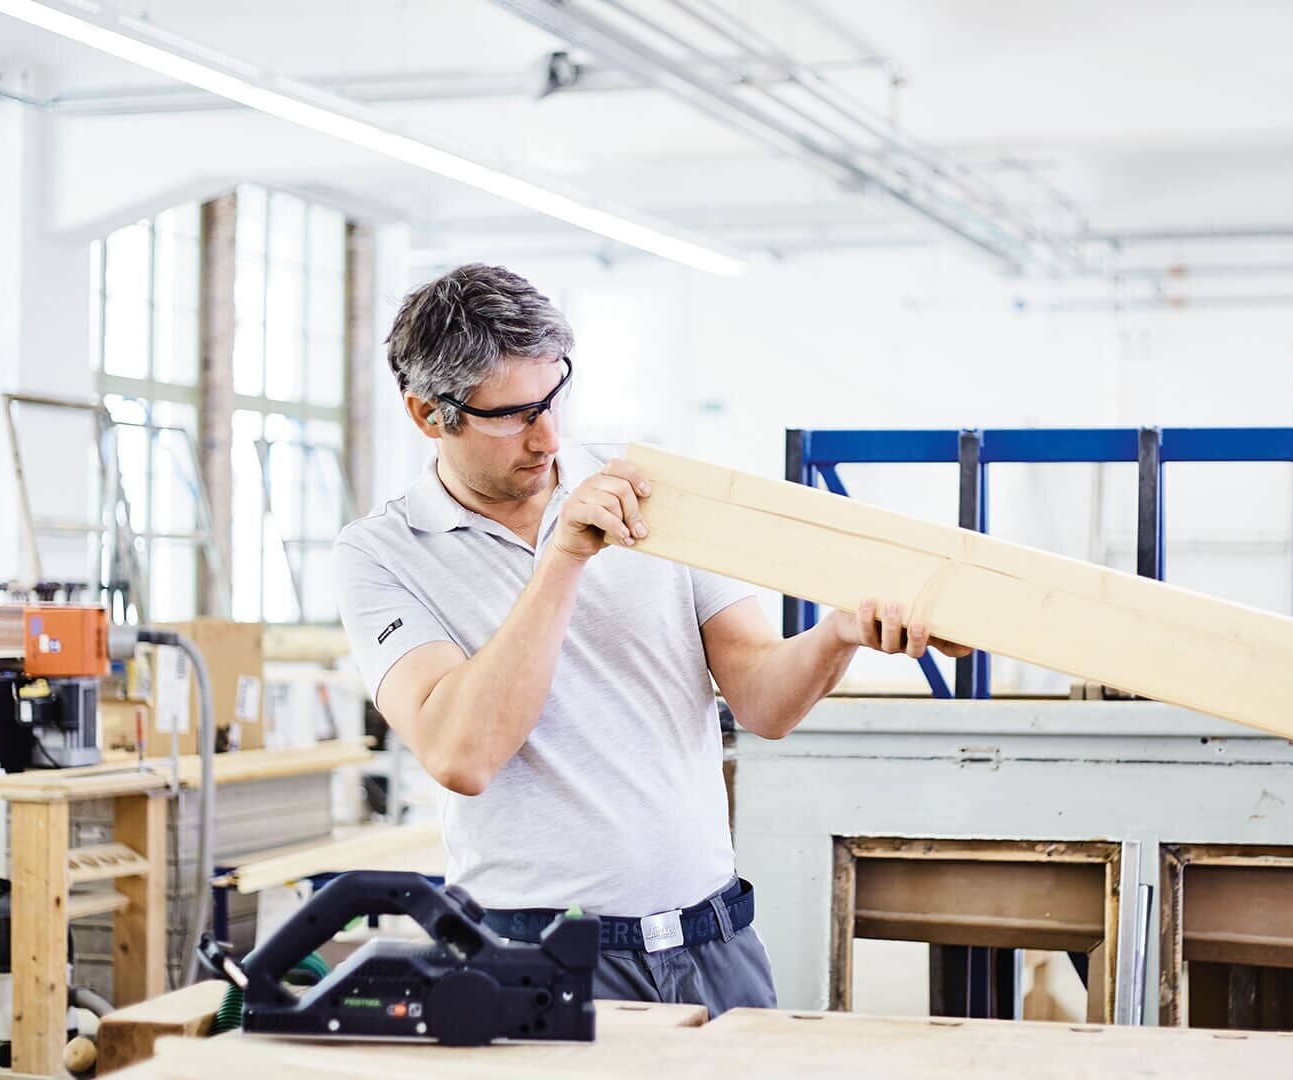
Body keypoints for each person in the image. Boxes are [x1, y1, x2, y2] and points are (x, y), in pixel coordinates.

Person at [333, 263, 967, 1016]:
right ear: (428, 414)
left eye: (553, 396)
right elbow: (462, 754)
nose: (547, 437)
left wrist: (840, 633)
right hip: (531, 956)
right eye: (513, 415)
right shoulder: (382, 553)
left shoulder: (652, 493)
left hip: (712, 940)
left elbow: (763, 704)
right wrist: (563, 557)